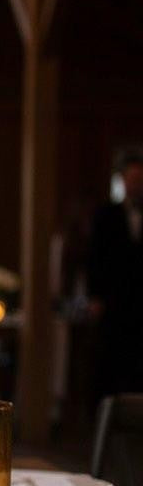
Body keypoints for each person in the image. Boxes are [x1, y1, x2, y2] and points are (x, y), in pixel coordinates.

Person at [88, 151, 143, 397]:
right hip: (113, 299)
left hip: (139, 300)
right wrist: (95, 296)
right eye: (132, 179)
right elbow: (94, 257)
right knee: (109, 360)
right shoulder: (106, 215)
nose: (136, 184)